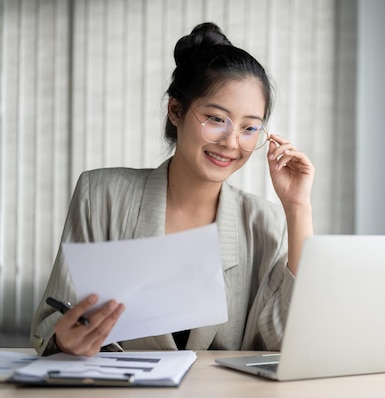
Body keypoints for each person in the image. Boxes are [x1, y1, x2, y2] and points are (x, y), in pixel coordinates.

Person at [30, 22, 315, 357]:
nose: (231, 143)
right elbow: (52, 320)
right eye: (215, 118)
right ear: (176, 110)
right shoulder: (101, 195)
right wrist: (64, 340)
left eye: (249, 128)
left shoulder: (263, 222)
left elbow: (293, 339)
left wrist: (297, 206)